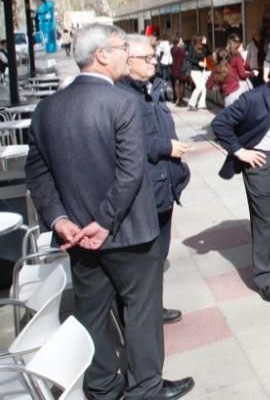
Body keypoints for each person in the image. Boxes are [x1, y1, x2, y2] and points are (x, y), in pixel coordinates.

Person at [25, 24, 194, 400]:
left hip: (80, 239)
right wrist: (103, 222)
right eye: (121, 48)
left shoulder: (47, 108)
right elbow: (131, 171)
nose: (126, 54)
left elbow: (37, 175)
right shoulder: (123, 103)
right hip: (130, 232)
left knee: (94, 313)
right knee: (142, 313)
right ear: (101, 54)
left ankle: (102, 385)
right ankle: (145, 387)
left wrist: (61, 221)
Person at [211, 56, 270, 303]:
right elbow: (220, 124)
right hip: (262, 165)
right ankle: (264, 277)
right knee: (265, 221)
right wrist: (240, 152)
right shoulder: (253, 99)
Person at [118, 34, 191, 324]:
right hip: (146, 189)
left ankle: (152, 309)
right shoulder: (124, 98)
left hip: (164, 187)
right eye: (147, 58)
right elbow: (131, 142)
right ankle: (139, 317)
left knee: (158, 257)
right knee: (145, 262)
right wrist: (166, 147)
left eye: (153, 56)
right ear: (129, 61)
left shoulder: (153, 89)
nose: (154, 62)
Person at [186, 35, 209, 111]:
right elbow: (189, 58)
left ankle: (201, 104)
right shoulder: (192, 48)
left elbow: (208, 54)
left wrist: (206, 44)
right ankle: (191, 104)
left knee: (204, 88)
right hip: (194, 70)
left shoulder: (203, 47)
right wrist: (198, 63)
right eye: (203, 38)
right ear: (199, 40)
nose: (204, 39)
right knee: (199, 87)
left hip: (202, 70)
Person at [170, 35, 188, 106]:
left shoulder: (172, 48)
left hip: (174, 67)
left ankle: (177, 98)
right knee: (181, 83)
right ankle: (179, 99)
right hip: (180, 67)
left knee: (176, 83)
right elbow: (185, 56)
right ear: (178, 41)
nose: (182, 41)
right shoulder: (180, 49)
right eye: (181, 40)